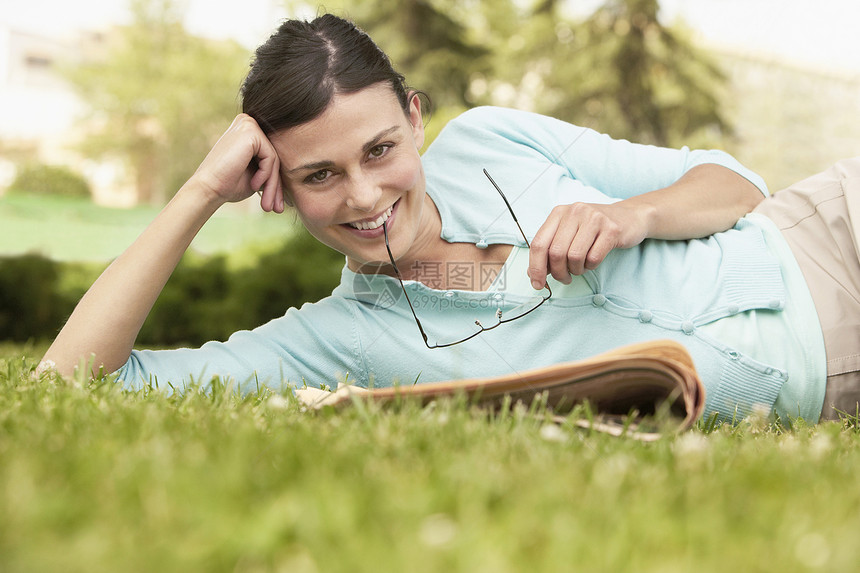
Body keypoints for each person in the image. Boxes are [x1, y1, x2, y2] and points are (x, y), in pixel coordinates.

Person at [40, 14, 860, 424]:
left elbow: (735, 185)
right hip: (824, 375)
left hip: (819, 237)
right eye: (319, 175)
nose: (363, 196)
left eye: (380, 149)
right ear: (275, 188)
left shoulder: (491, 136)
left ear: (417, 118)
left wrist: (630, 215)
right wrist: (194, 195)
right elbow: (72, 387)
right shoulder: (332, 343)